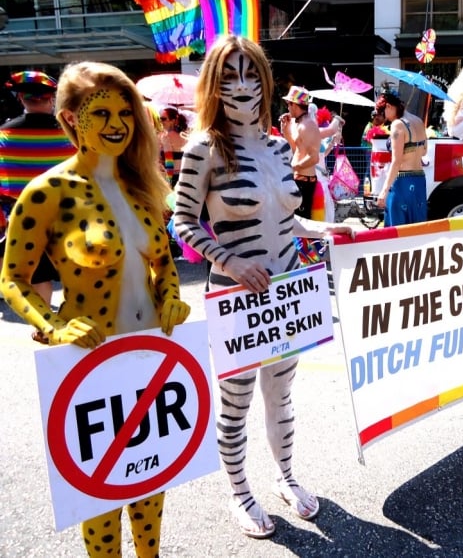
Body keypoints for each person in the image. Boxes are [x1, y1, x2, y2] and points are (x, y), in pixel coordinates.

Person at [0, 60, 190, 556]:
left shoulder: (143, 187)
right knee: (99, 498)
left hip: (151, 361)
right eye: (101, 113)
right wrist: (54, 323)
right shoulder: (46, 193)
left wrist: (171, 296)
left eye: (125, 112)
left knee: (151, 487)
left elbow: (164, 265)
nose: (118, 125)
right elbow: (11, 279)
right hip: (90, 368)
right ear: (68, 120)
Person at [172, 34, 355, 539]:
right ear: (213, 84)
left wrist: (322, 230)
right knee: (236, 400)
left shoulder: (278, 145)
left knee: (282, 393)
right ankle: (239, 491)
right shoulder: (203, 148)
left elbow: (284, 218)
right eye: (229, 75)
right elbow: (182, 221)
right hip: (235, 298)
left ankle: (287, 476)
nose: (243, 85)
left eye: (251, 72)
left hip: (290, 290)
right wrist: (227, 260)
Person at [0, 70, 76, 343]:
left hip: (24, 215)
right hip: (67, 212)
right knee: (74, 265)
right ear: (50, 98)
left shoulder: (4, 134)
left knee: (38, 270)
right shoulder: (68, 132)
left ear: (21, 98)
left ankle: (45, 323)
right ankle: (76, 315)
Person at [374, 89, 428, 226]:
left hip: (402, 183)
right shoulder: (419, 121)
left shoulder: (397, 125)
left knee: (397, 233)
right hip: (419, 180)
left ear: (389, 107)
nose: (384, 117)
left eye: (383, 112)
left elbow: (396, 161)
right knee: (417, 229)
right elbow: (424, 151)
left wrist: (384, 190)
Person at [279, 85, 322, 220]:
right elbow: (295, 148)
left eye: (288, 104)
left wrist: (294, 168)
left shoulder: (308, 125)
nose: (287, 107)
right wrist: (285, 130)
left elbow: (314, 157)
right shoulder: (299, 123)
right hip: (299, 178)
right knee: (293, 221)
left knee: (302, 222)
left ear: (295, 105)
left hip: (304, 181)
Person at [158, 106, 189, 186]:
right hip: (185, 175)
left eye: (163, 119)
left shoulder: (166, 137)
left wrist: (169, 181)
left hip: (172, 177)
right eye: (160, 119)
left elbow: (169, 161)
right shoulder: (186, 135)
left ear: (172, 121)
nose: (161, 121)